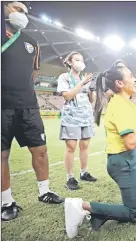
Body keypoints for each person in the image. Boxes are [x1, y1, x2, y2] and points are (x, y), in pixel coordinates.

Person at [64, 65, 136, 239]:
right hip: (122, 162)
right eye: (131, 76)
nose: (135, 79)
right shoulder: (120, 106)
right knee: (133, 213)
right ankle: (82, 206)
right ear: (119, 83)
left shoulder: (127, 103)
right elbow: (131, 142)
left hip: (131, 156)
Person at [1, 1, 64, 221]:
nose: (21, 14)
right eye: (17, 9)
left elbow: (34, 72)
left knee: (40, 150)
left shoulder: (31, 42)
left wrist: (23, 89)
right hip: (2, 107)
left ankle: (44, 191)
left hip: (28, 105)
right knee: (2, 155)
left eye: (25, 11)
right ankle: (6, 202)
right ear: (5, 8)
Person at [56, 52, 97, 190]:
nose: (80, 62)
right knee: (71, 147)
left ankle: (84, 172)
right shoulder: (64, 77)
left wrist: (92, 89)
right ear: (70, 62)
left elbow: (92, 100)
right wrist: (82, 83)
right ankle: (70, 178)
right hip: (71, 117)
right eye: (77, 59)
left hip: (86, 116)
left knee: (85, 145)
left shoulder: (84, 79)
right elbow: (67, 96)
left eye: (82, 60)